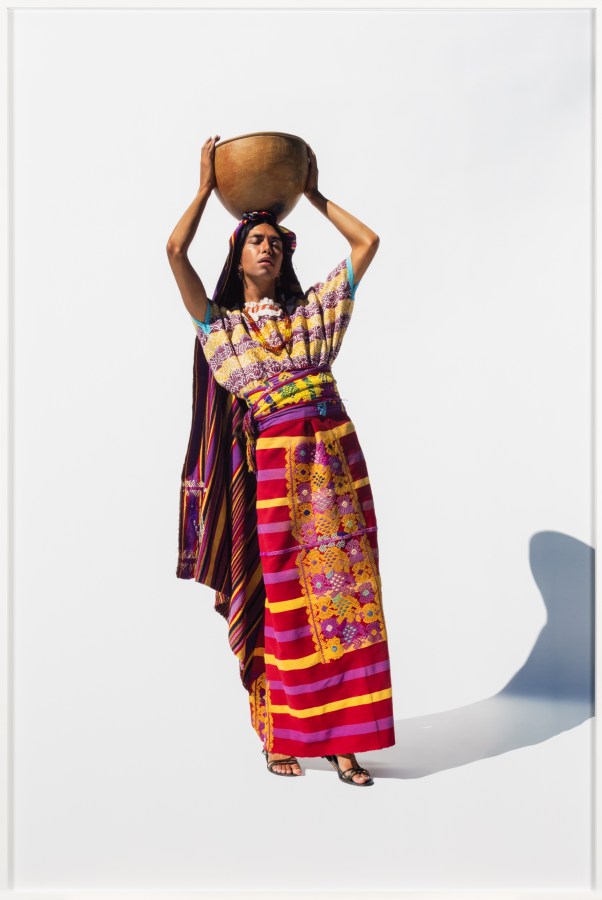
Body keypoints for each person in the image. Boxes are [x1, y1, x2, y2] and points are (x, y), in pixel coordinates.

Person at [167, 135, 395, 786]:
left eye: (275, 240)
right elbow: (175, 251)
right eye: (254, 240)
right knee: (289, 601)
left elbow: (367, 244)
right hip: (275, 468)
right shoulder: (221, 325)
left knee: (348, 599)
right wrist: (207, 188)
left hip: (337, 458)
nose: (266, 246)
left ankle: (344, 743)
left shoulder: (312, 314)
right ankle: (280, 731)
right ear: (237, 253)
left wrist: (314, 194)